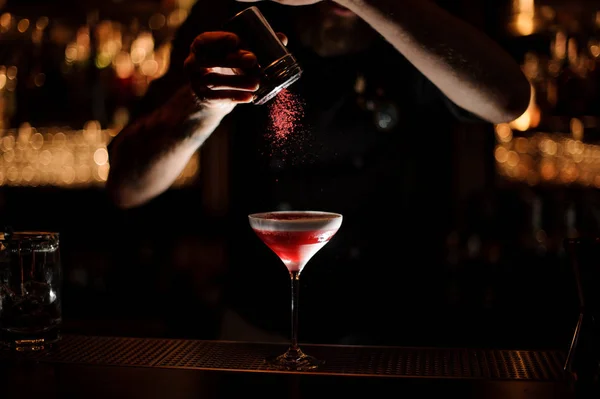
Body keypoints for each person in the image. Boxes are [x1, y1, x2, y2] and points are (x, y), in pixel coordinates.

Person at [106, 0, 531, 346]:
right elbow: (127, 186)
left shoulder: (424, 18)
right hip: (257, 329)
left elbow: (508, 100)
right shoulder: (240, 14)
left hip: (400, 331)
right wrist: (203, 103)